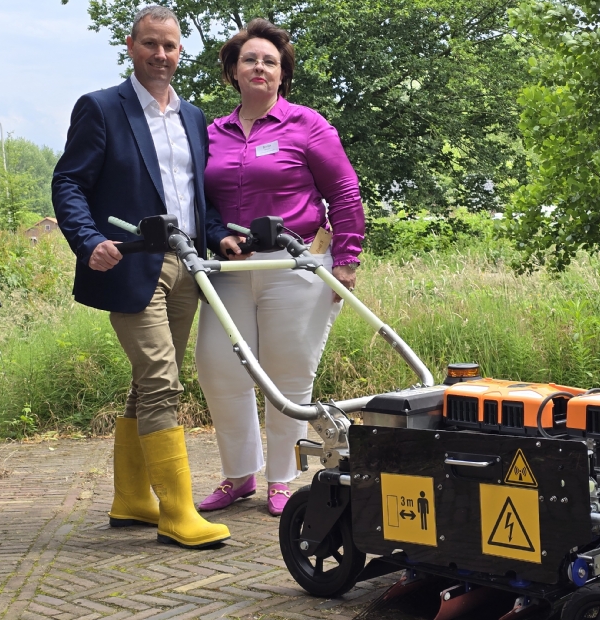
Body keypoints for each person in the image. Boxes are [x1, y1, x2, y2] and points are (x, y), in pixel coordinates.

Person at [52, 5, 240, 549]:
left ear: (181, 52)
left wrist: (218, 233)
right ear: (131, 47)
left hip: (187, 266)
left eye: (171, 46)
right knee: (161, 379)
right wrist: (89, 242)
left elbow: (196, 197)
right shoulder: (101, 108)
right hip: (132, 265)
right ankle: (178, 512)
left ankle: (131, 498)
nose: (162, 55)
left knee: (149, 381)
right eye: (151, 44)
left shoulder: (194, 117)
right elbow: (69, 183)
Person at [196, 18, 365, 516]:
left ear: (282, 73)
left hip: (296, 266)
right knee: (217, 366)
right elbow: (200, 203)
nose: (259, 67)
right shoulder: (211, 133)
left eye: (269, 60)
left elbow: (345, 192)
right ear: (233, 70)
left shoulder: (307, 125)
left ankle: (282, 478)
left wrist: (348, 260)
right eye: (249, 58)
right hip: (229, 269)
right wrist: (215, 236)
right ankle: (238, 475)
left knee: (288, 373)